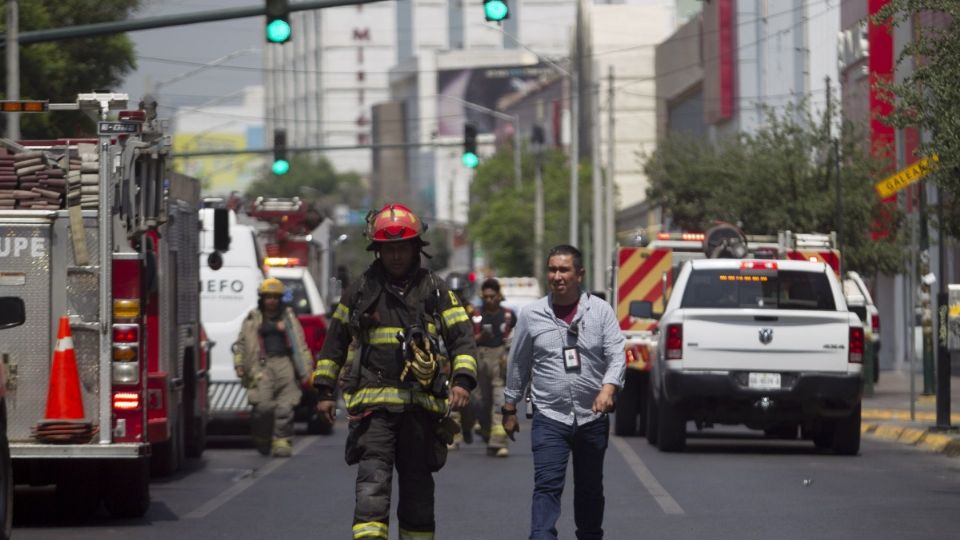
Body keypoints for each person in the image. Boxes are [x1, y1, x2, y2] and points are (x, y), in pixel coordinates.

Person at [311, 203, 477, 540]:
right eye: (389, 250)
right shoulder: (361, 290)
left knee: (417, 491)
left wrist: (462, 381)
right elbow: (335, 343)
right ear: (378, 251)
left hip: (420, 410)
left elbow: (461, 338)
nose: (396, 256)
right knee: (373, 483)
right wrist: (325, 391)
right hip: (374, 411)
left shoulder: (434, 289)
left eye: (402, 248)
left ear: (416, 248)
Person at [502, 244, 625, 540]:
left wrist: (608, 389)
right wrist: (509, 408)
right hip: (549, 417)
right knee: (546, 485)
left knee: (590, 488)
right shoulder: (532, 315)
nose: (557, 276)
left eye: (564, 270)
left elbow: (617, 353)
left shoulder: (601, 311)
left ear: (579, 274)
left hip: (591, 419)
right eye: (552, 269)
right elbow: (518, 363)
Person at [233, 277, 313, 458]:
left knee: (285, 406)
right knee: (263, 407)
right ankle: (262, 437)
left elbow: (301, 345)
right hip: (261, 366)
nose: (272, 301)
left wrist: (307, 369)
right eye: (268, 297)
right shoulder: (252, 319)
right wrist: (239, 365)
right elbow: (241, 345)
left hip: (285, 364)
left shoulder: (290, 319)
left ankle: (282, 441)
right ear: (262, 298)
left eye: (276, 297)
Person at [471, 278, 516, 457]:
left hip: (500, 359)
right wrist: (480, 336)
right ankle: (487, 432)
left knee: (499, 399)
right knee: (481, 402)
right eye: (486, 296)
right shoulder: (474, 315)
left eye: (492, 296)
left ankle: (499, 441)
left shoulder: (509, 315)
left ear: (499, 296)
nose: (489, 300)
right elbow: (466, 340)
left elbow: (517, 337)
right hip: (480, 358)